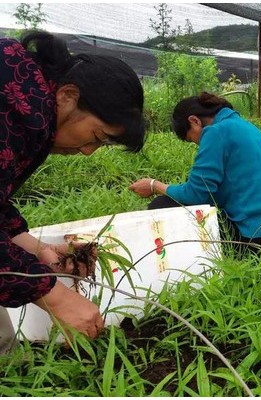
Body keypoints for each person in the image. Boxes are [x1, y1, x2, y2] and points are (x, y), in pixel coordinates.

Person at [0, 31, 145, 352]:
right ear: (67, 95)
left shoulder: (25, 106)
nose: (89, 151)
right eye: (97, 135)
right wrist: (57, 298)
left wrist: (38, 249)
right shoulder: (10, 113)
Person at [129, 92, 261, 255]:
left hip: (259, 235)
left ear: (194, 121)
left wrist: (154, 185)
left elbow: (195, 194)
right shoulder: (245, 125)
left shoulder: (215, 132)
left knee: (162, 205)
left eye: (191, 139)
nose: (197, 144)